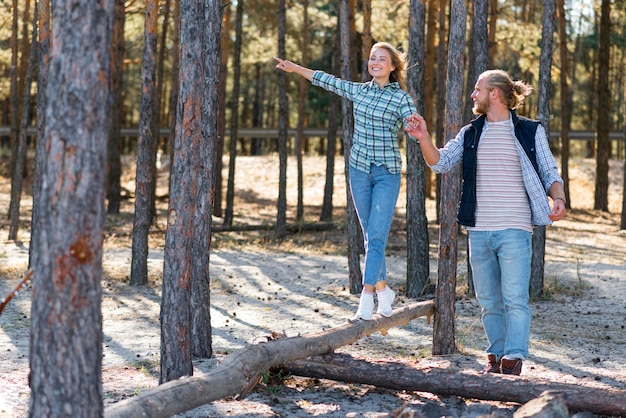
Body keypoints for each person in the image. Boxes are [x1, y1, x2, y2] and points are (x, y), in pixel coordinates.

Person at [405, 69, 567, 376]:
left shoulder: (529, 131)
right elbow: (440, 162)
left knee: (515, 297)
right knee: (489, 300)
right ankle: (496, 353)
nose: (472, 95)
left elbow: (550, 172)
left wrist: (558, 198)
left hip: (515, 229)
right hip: (478, 231)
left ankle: (514, 356)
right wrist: (423, 137)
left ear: (494, 93)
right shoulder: (471, 133)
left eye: (477, 89)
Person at [274, 42, 419, 320]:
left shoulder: (401, 98)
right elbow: (324, 79)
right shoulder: (359, 90)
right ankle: (384, 291)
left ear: (392, 66)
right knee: (370, 237)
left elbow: (412, 128)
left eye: (381, 59)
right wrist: (294, 68)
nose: (375, 62)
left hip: (387, 173)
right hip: (359, 171)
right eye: (372, 58)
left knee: (376, 236)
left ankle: (366, 299)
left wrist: (415, 128)